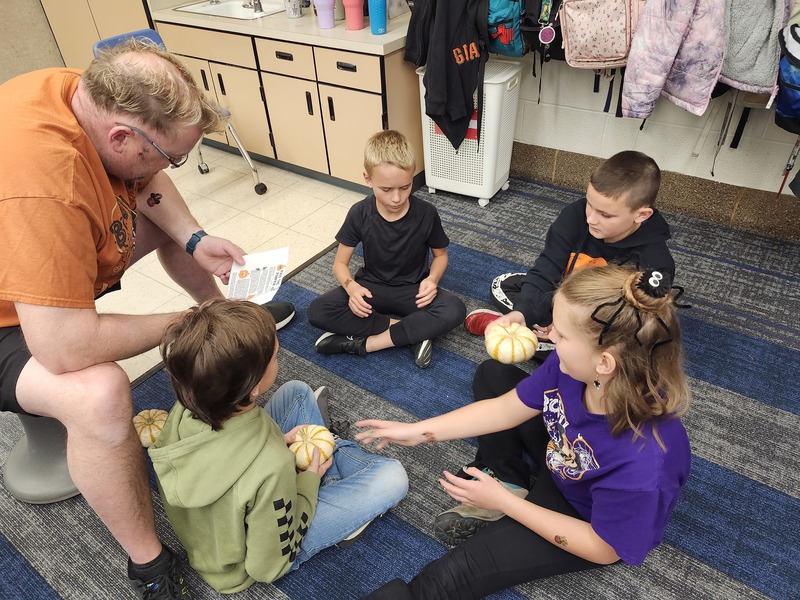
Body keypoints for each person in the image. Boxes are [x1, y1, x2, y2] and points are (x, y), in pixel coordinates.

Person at [0, 39, 293, 599]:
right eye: (173, 156)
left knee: (162, 222)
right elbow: (64, 345)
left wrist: (195, 238)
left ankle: (221, 314)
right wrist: (191, 322)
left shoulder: (86, 92)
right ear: (121, 138)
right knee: (99, 394)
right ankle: (148, 563)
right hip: (8, 319)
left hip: (37, 263)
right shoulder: (44, 182)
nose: (171, 169)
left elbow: (148, 185)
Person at [356, 264, 692, 599]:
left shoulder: (646, 466)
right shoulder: (575, 369)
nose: (546, 334)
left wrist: (503, 503)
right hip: (565, 456)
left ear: (604, 363)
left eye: (560, 333)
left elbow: (604, 549)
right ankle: (508, 477)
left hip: (581, 516)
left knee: (459, 569)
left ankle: (506, 494)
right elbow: (506, 408)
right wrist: (420, 431)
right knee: (493, 375)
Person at [150, 298, 408, 593]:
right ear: (253, 387)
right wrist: (308, 482)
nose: (279, 356)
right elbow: (265, 567)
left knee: (296, 392)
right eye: (275, 356)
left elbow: (228, 455)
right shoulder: (271, 466)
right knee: (392, 477)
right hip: (249, 560)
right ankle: (330, 471)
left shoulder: (185, 405)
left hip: (217, 526)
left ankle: (325, 455)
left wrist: (274, 442)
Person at [464, 151, 674, 344]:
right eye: (589, 204)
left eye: (606, 215)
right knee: (502, 285)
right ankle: (536, 333)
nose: (591, 219)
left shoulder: (654, 263)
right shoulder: (575, 215)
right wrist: (522, 314)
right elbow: (548, 265)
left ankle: (542, 342)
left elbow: (633, 319)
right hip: (563, 295)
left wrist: (569, 326)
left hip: (599, 322)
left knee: (639, 339)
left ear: (642, 215)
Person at [307, 130, 466, 369]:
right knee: (318, 311)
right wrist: (352, 288)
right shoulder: (359, 212)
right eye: (386, 189)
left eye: (405, 187)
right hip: (371, 287)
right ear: (367, 179)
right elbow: (340, 264)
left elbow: (440, 256)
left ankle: (363, 344)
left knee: (455, 309)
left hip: (413, 289)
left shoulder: (426, 213)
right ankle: (411, 333)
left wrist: (432, 280)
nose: (397, 198)